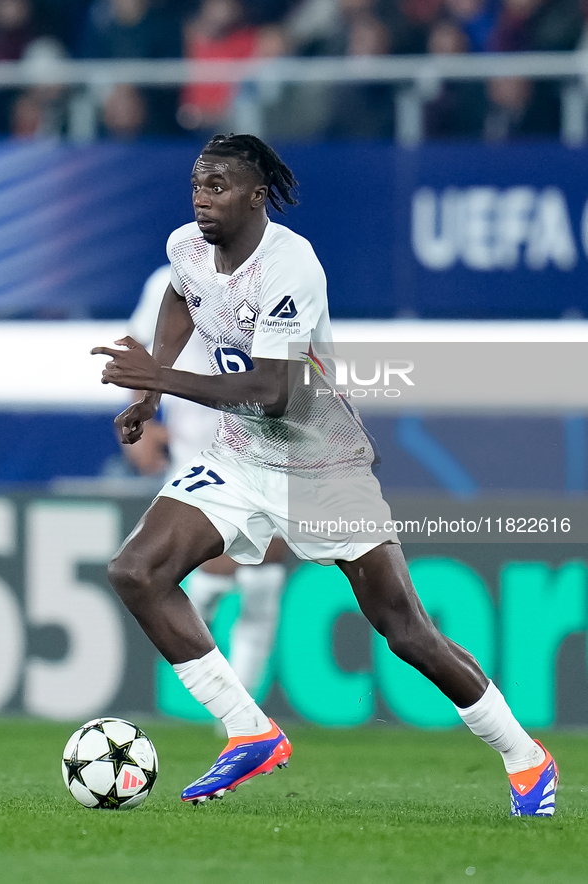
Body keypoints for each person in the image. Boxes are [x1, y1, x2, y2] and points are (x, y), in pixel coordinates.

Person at [92, 133, 557, 815]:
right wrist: (149, 398)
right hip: (238, 455)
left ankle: (525, 757)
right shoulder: (186, 247)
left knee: (405, 631)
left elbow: (274, 390)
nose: (201, 197)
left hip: (320, 463)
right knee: (136, 570)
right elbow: (178, 298)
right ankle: (248, 730)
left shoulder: (291, 266)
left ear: (256, 197)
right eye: (196, 183)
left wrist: (160, 376)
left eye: (218, 186)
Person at [124, 262, 288, 696]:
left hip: (271, 444)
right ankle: (199, 625)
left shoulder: (279, 273)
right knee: (214, 569)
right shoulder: (169, 279)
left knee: (265, 576)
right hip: (198, 447)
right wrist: (141, 413)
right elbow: (143, 353)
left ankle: (245, 718)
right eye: (203, 189)